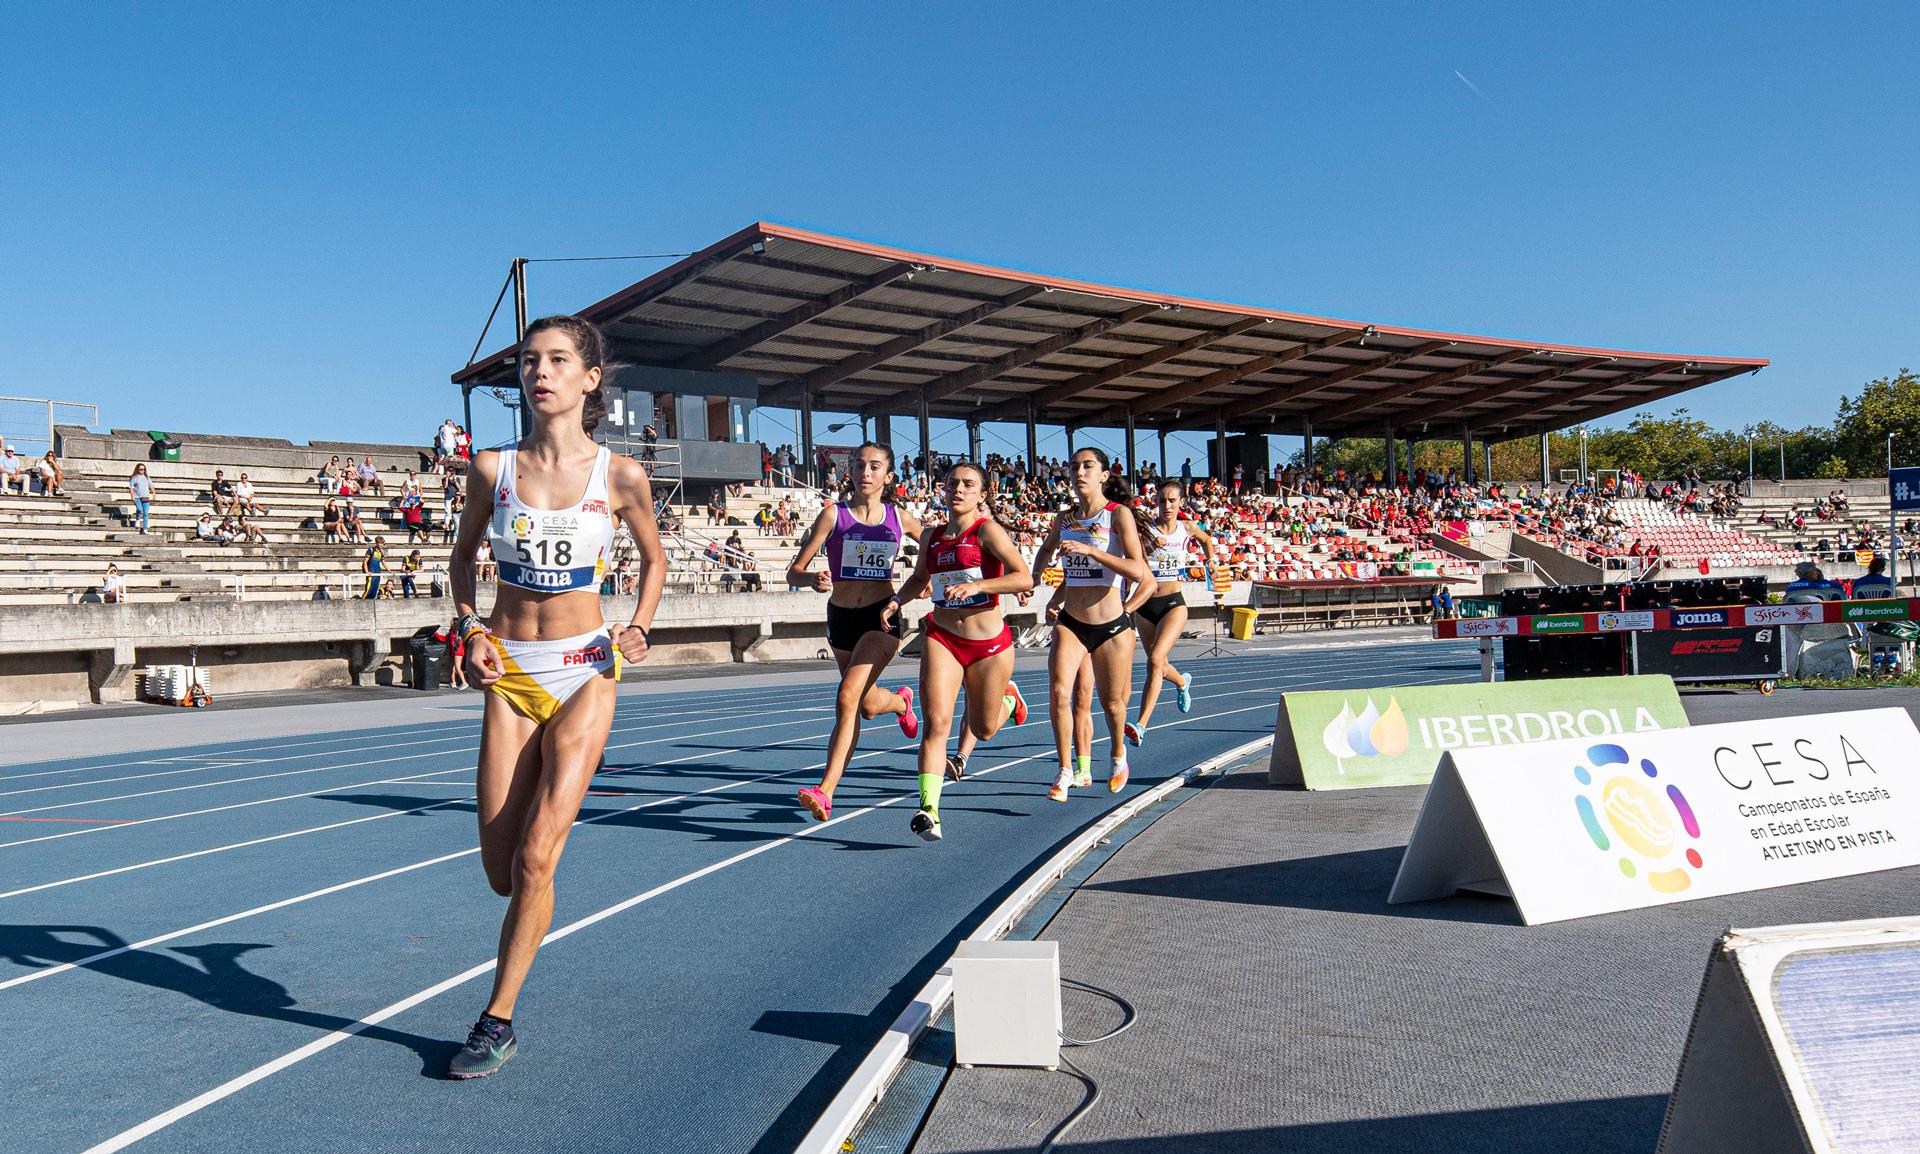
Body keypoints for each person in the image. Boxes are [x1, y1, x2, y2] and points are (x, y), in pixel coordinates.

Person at [443, 314, 665, 1079]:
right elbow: (461, 562)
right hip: (508, 674)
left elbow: (654, 560)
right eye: (531, 361)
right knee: (500, 873)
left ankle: (496, 1018)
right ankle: (524, 901)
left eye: (559, 360)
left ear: (589, 378)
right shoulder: (490, 469)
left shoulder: (621, 475)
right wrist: (470, 628)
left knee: (538, 860)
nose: (541, 372)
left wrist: (638, 626)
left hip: (586, 671)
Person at [889, 461, 1033, 841]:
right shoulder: (932, 537)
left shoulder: (987, 531)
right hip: (943, 636)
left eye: (968, 485)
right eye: (953, 483)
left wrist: (978, 585)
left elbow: (1024, 576)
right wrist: (896, 602)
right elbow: (920, 579)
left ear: (981, 494)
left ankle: (1010, 701)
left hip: (988, 645)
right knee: (937, 725)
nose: (959, 489)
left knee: (984, 729)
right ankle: (929, 809)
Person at [787, 443, 925, 823]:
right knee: (864, 704)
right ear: (850, 472)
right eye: (859, 465)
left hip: (880, 619)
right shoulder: (833, 516)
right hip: (841, 618)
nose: (866, 472)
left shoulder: (901, 517)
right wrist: (810, 577)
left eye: (875, 466)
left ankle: (825, 790)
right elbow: (792, 571)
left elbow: (935, 549)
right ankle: (900, 703)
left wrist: (924, 580)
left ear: (888, 476)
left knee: (847, 697)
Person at [1030, 447, 1152, 801]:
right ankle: (1066, 770)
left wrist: (1093, 552)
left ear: (1103, 476)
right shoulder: (1064, 519)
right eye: (1074, 466)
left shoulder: (1118, 515)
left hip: (1112, 624)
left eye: (1088, 466)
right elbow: (1045, 551)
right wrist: (1036, 577)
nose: (1079, 472)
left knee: (1112, 703)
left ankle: (1118, 755)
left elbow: (1139, 571)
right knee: (1058, 692)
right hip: (1072, 622)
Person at [1125, 478, 1215, 746]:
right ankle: (1182, 682)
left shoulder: (1187, 528)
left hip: (1173, 603)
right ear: (1155, 501)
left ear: (1181, 502)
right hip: (1144, 605)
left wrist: (1210, 560)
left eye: (1172, 500)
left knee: (1154, 660)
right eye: (1162, 500)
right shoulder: (1145, 531)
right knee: (1161, 665)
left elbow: (1206, 540)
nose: (1167, 505)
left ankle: (1140, 725)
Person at [127, 464, 154, 533]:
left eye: (144, 469)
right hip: (137, 497)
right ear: (138, 469)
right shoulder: (134, 477)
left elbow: (151, 485)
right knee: (140, 509)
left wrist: (154, 492)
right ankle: (138, 519)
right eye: (141, 469)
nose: (143, 471)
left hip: (145, 496)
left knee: (145, 513)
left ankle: (145, 528)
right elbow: (131, 487)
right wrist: (132, 496)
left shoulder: (147, 477)